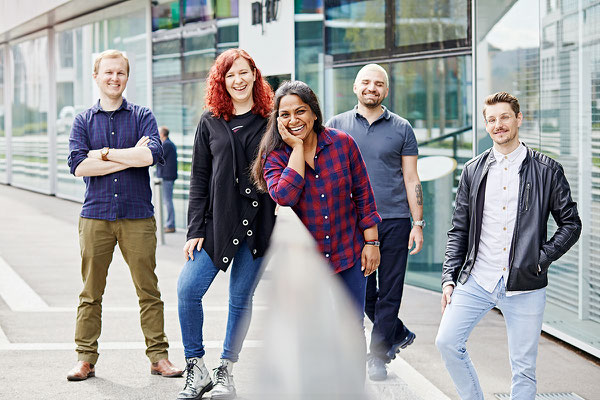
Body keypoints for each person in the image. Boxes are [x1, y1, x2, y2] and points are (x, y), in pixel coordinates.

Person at [435, 92, 582, 399]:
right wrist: (449, 277)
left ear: (518, 119)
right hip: (478, 278)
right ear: (486, 126)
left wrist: (540, 259)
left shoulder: (547, 170)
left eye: (504, 117)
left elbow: (571, 224)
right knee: (447, 342)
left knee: (523, 368)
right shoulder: (473, 170)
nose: (498, 125)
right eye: (491, 120)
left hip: (525, 284)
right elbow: (459, 230)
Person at [252, 80, 382, 376]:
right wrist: (297, 148)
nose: (293, 120)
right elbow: (284, 195)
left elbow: (363, 191)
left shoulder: (342, 143)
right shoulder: (274, 156)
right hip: (305, 264)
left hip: (347, 253)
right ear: (277, 119)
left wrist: (371, 242)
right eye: (284, 114)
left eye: (300, 111)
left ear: (314, 113)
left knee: (351, 328)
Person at [66, 49, 182, 381]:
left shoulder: (142, 115)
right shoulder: (83, 120)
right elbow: (77, 166)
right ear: (96, 76)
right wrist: (128, 156)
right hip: (95, 217)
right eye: (108, 73)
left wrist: (103, 154)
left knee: (149, 290)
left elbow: (151, 156)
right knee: (91, 292)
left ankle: (159, 357)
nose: (114, 78)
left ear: (127, 77)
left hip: (137, 217)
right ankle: (85, 358)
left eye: (120, 73)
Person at [177, 49, 276, 400]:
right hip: (217, 224)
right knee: (187, 290)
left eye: (244, 72)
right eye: (230, 74)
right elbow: (198, 179)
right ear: (222, 81)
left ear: (254, 75)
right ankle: (196, 368)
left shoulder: (271, 120)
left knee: (239, 299)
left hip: (257, 225)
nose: (238, 80)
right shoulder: (210, 121)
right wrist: (194, 230)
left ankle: (226, 371)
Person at [326, 64, 423, 381]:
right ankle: (397, 332)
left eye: (379, 83)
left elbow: (411, 178)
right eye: (366, 82)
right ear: (355, 87)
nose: (372, 87)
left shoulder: (402, 128)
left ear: (386, 90)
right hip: (351, 223)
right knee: (361, 291)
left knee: (390, 291)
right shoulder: (336, 126)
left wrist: (418, 222)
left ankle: (378, 356)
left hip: (394, 219)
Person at [157, 126, 178, 233]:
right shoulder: (168, 144)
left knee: (167, 201)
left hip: (167, 177)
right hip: (168, 176)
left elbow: (157, 157)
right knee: (167, 200)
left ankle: (170, 225)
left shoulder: (166, 145)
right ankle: (170, 224)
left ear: (162, 134)